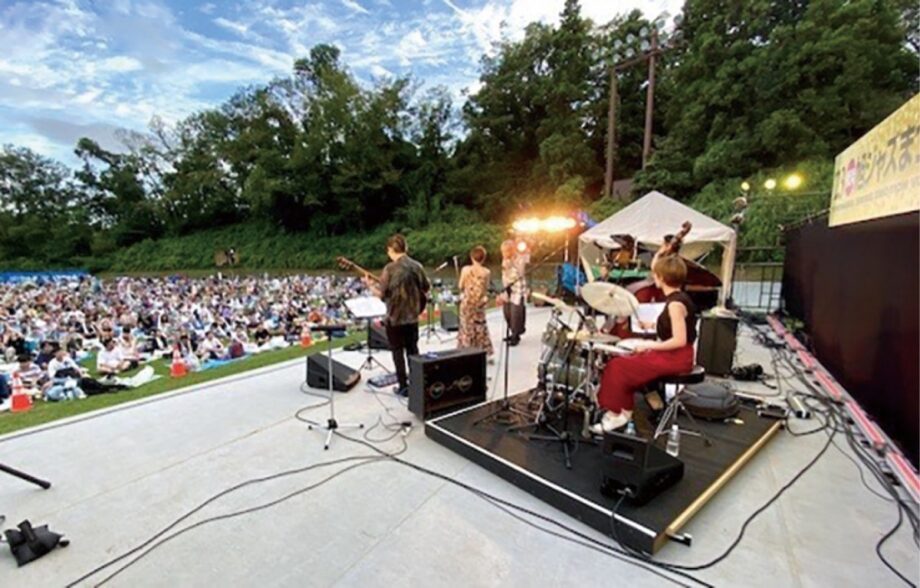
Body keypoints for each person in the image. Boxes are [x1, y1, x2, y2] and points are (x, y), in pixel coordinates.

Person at [590, 254, 698, 434]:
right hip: (676, 354)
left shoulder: (675, 304)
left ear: (661, 277)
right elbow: (676, 327)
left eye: (655, 274)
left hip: (678, 358)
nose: (653, 278)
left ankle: (619, 414)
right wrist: (652, 326)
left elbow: (679, 340)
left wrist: (649, 346)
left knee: (618, 366)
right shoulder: (679, 298)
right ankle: (623, 410)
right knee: (626, 362)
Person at [366, 234, 430, 397]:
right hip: (413, 317)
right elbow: (425, 287)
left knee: (397, 352)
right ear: (405, 248)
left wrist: (369, 285)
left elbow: (382, 294)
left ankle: (403, 386)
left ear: (391, 249)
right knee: (413, 350)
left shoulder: (389, 269)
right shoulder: (417, 266)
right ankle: (417, 382)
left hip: (395, 318)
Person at [457, 246, 493, 357]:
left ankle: (466, 351)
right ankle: (482, 351)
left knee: (466, 327)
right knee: (480, 327)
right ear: (483, 258)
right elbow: (486, 288)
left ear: (472, 257)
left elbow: (460, 285)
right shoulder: (486, 272)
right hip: (479, 303)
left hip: (467, 302)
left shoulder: (465, 270)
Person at [498, 240, 527, 346]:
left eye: (505, 251)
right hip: (508, 288)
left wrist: (512, 264)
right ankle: (512, 331)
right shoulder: (504, 260)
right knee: (507, 312)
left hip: (518, 289)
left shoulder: (519, 258)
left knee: (516, 313)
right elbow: (504, 274)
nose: (503, 254)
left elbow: (521, 273)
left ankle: (516, 335)